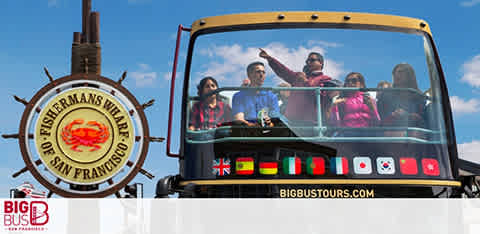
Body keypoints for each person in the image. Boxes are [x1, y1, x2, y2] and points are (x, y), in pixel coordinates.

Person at [258, 48, 342, 123]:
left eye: (312, 60)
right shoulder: (298, 76)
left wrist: (305, 81)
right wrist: (269, 59)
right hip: (290, 120)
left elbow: (319, 98)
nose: (308, 62)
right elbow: (283, 71)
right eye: (307, 61)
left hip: (310, 122)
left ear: (321, 63)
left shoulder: (326, 79)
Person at [377, 63, 426, 137]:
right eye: (394, 73)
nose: (396, 75)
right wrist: (393, 115)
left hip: (414, 135)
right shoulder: (385, 95)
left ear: (409, 75)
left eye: (401, 72)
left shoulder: (418, 96)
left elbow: (421, 119)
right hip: (390, 134)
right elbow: (381, 118)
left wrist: (407, 115)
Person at [232, 62, 279, 127]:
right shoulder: (239, 96)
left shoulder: (272, 96)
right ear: (249, 75)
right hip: (246, 132)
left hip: (268, 132)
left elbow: (275, 121)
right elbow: (239, 119)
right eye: (258, 72)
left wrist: (269, 124)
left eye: (263, 72)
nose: (261, 75)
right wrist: (253, 126)